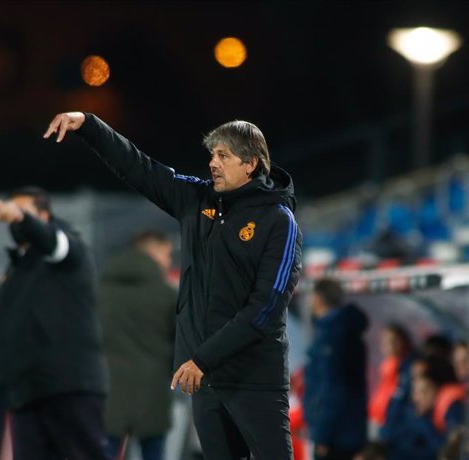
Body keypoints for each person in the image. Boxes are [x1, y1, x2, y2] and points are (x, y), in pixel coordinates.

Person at [44, 112, 303, 459]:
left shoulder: (279, 221)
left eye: (223, 156)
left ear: (251, 164)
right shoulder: (196, 201)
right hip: (206, 382)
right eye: (212, 155)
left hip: (254, 380)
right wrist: (90, 127)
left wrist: (203, 358)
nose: (212, 163)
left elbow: (266, 308)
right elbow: (141, 168)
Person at [0, 187, 109, 460]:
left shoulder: (67, 249)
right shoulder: (18, 267)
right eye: (13, 215)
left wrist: (22, 218)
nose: (15, 221)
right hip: (26, 391)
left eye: (24, 214)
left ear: (43, 216)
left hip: (68, 387)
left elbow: (54, 242)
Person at [97, 230, 177, 460]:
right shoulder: (166, 295)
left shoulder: (100, 291)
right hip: (153, 392)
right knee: (153, 452)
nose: (168, 261)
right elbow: (179, 342)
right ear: (152, 252)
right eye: (166, 254)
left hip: (107, 389)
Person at [303, 278, 368, 460]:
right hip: (347, 430)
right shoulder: (344, 329)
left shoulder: (332, 335)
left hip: (336, 434)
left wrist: (322, 433)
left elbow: (332, 388)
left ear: (318, 299)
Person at [370, 323, 414, 438]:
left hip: (394, 429)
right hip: (379, 422)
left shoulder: (408, 368)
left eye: (394, 340)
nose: (390, 345)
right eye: (385, 342)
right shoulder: (387, 367)